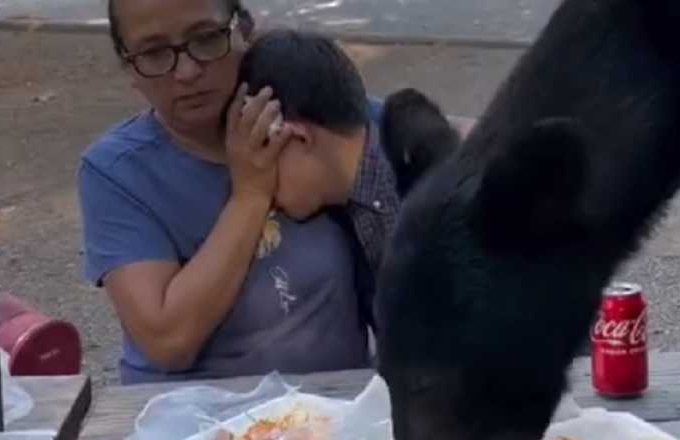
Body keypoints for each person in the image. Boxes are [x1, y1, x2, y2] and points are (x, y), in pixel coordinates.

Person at [79, 0, 472, 384]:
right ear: (128, 67)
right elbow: (168, 342)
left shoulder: (307, 111)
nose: (186, 71)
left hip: (334, 406)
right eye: (153, 53)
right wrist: (249, 196)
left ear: (245, 32)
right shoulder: (117, 172)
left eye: (206, 38)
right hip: (190, 409)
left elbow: (454, 146)